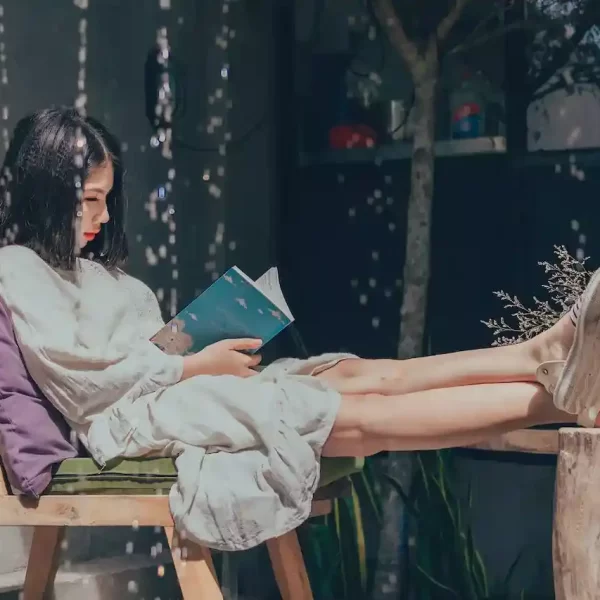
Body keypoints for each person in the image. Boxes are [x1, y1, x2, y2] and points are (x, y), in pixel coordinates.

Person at [0, 107, 593, 551]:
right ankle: (553, 402)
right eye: (91, 200)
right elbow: (83, 387)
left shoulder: (91, 271)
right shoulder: (17, 269)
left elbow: (147, 348)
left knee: (355, 373)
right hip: (130, 422)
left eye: (107, 200)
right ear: (49, 192)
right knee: (347, 412)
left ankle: (534, 352)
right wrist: (195, 365)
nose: (103, 218)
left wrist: (197, 344)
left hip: (175, 388)